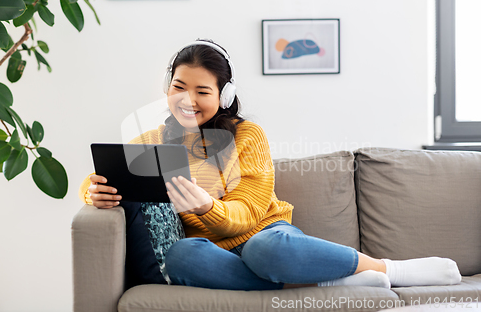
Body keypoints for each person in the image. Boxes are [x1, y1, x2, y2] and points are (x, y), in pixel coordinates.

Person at [79, 39, 462, 291]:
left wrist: (207, 207)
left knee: (264, 252)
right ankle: (324, 281)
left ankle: (387, 269)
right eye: (179, 87)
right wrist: (93, 190)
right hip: (209, 254)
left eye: (202, 91)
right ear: (168, 86)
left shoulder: (248, 137)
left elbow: (246, 214)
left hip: (264, 236)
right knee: (181, 255)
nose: (187, 100)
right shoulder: (151, 142)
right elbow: (112, 175)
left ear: (224, 95)